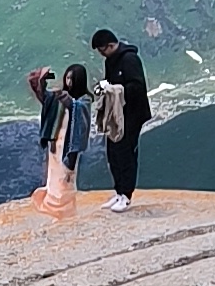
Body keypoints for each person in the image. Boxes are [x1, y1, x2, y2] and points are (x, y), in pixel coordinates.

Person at [89, 24, 151, 209]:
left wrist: (117, 89)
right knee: (113, 152)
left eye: (102, 50)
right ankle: (118, 192)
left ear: (109, 45)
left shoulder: (130, 59)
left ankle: (127, 194)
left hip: (132, 114)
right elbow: (110, 81)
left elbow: (137, 86)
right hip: (116, 114)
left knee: (126, 152)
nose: (101, 54)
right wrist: (104, 87)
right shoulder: (110, 61)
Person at [43, 60, 91, 209]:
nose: (68, 82)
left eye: (72, 78)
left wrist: (70, 102)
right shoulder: (61, 98)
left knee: (66, 177)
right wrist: (41, 81)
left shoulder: (85, 100)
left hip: (70, 143)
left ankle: (66, 208)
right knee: (54, 176)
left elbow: (81, 113)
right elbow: (44, 98)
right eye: (67, 78)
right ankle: (52, 205)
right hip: (57, 142)